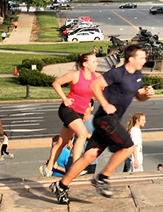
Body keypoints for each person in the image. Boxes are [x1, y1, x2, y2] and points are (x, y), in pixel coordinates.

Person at [49, 44, 154, 205]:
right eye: (142, 58)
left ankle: (61, 185)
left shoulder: (138, 75)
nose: (144, 60)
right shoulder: (117, 73)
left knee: (89, 156)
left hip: (112, 120)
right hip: (105, 119)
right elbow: (94, 85)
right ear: (131, 59)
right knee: (129, 147)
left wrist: (147, 95)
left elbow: (138, 96)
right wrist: (104, 104)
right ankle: (102, 178)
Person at [40, 53, 98, 177]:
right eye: (94, 62)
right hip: (68, 110)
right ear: (85, 64)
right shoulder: (75, 75)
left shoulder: (96, 77)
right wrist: (64, 98)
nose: (96, 64)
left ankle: (48, 169)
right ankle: (76, 166)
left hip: (80, 113)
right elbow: (56, 83)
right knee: (82, 134)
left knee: (62, 142)